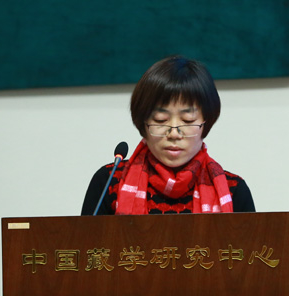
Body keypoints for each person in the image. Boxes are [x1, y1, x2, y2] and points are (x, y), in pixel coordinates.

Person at [81, 56, 255, 215]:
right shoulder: (110, 182)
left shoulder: (233, 190)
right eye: (160, 119)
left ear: (206, 123)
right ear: (143, 122)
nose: (173, 133)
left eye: (187, 120)